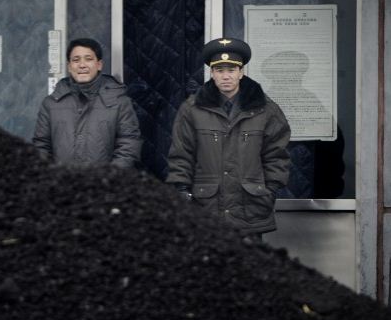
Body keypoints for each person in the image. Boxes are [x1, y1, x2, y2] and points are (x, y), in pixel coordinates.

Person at [167, 37, 291, 236]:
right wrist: (181, 191)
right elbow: (181, 154)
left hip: (250, 208)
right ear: (212, 74)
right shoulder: (192, 109)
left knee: (248, 265)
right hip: (205, 208)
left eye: (231, 70)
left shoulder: (265, 109)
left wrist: (269, 191)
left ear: (241, 72)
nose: (226, 76)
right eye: (220, 70)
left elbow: (277, 155)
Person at [32, 38, 142, 168]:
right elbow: (41, 146)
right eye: (76, 60)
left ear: (99, 64)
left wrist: (111, 178)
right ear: (69, 66)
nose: (82, 65)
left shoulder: (118, 101)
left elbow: (129, 143)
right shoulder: (51, 103)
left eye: (88, 59)